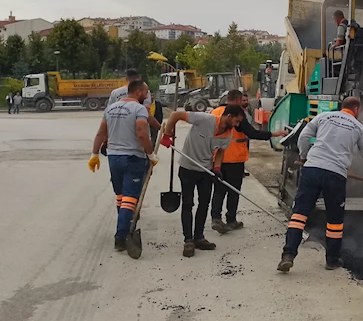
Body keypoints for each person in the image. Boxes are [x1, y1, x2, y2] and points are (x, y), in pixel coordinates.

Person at [277, 97, 363, 273]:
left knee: (299, 215)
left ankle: (288, 255)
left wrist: (304, 157)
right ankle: (332, 260)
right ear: (356, 109)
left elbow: (304, 136)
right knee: (334, 220)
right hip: (335, 175)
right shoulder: (358, 127)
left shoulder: (324, 116)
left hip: (312, 169)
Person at [161, 104, 246, 257]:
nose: (237, 125)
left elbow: (220, 152)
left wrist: (217, 169)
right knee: (188, 204)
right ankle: (188, 240)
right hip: (187, 169)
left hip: (205, 171)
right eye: (237, 121)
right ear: (229, 116)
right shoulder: (204, 119)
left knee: (204, 204)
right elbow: (175, 115)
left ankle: (198, 237)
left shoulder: (228, 134)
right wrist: (167, 135)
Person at [88, 80, 159, 250]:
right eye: (146, 92)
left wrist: (94, 154)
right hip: (133, 157)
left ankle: (125, 225)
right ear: (139, 92)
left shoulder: (111, 108)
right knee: (129, 199)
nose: (147, 95)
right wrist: (150, 154)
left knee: (120, 197)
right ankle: (121, 237)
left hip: (114, 158)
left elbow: (100, 133)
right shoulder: (139, 109)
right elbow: (142, 133)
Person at [209, 90, 286, 234]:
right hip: (234, 158)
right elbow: (252, 133)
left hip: (217, 159)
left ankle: (216, 218)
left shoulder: (215, 112)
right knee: (233, 191)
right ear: (237, 100)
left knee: (219, 190)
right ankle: (231, 220)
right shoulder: (237, 115)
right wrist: (273, 134)